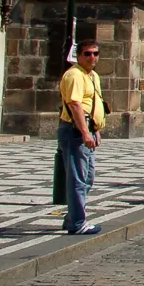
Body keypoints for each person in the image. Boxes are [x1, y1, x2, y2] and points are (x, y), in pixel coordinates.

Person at [57, 40, 106, 235]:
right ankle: (77, 222)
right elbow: (75, 104)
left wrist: (96, 129)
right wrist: (85, 131)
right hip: (74, 131)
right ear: (78, 56)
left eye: (95, 53)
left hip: (87, 130)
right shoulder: (75, 75)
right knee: (78, 178)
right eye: (87, 53)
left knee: (88, 177)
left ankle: (72, 217)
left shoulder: (92, 75)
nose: (92, 57)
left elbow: (93, 104)